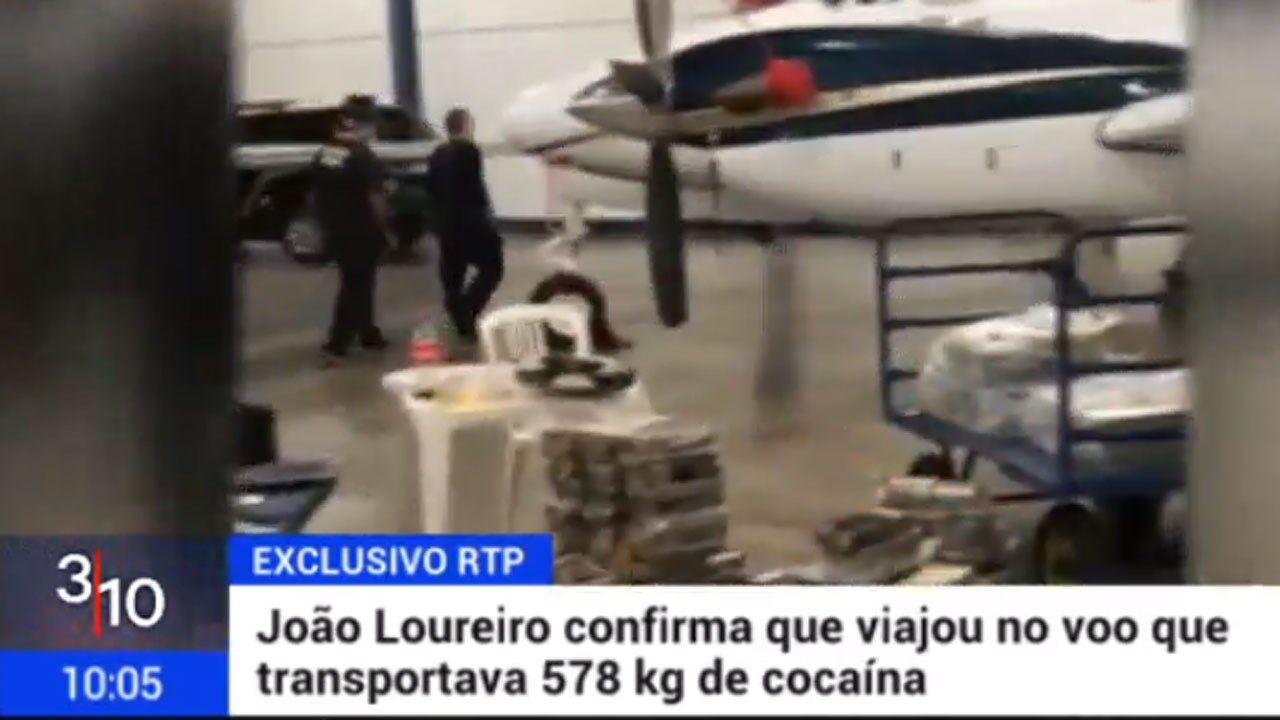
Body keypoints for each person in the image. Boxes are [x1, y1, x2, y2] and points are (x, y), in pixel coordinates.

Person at [313, 95, 391, 364]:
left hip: (334, 227)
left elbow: (318, 190)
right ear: (362, 124)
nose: (374, 131)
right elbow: (376, 198)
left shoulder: (326, 152)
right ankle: (337, 343)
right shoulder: (363, 156)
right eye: (372, 125)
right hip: (361, 229)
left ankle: (368, 332)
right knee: (356, 285)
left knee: (357, 282)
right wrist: (385, 227)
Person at [427, 107, 504, 342]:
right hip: (469, 220)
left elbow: (431, 187)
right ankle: (467, 311)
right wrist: (488, 216)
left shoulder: (437, 153)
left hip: (445, 222)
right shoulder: (469, 151)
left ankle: (457, 312)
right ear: (465, 125)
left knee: (453, 273)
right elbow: (475, 186)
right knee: (492, 267)